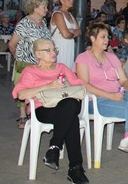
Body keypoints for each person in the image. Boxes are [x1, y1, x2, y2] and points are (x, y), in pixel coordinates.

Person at [75, 22, 128, 171]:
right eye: (103, 37)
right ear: (92, 39)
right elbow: (84, 85)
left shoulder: (111, 57)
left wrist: (124, 89)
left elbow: (124, 80)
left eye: (107, 36)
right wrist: (110, 95)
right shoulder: (83, 58)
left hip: (117, 95)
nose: (107, 40)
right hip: (96, 99)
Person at [11, 38, 89, 183]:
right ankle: (75, 168)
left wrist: (66, 85)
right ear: (37, 54)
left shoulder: (62, 68)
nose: (52, 53)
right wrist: (48, 86)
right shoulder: (30, 71)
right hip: (44, 109)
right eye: (47, 50)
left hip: (66, 107)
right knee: (71, 119)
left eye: (54, 49)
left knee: (70, 104)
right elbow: (21, 94)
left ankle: (54, 147)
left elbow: (79, 85)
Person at [9, 0, 53, 128]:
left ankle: (35, 113)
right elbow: (12, 44)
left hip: (41, 64)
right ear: (35, 8)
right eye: (43, 7)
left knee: (39, 90)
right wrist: (19, 58)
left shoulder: (43, 23)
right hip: (26, 62)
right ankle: (22, 115)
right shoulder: (25, 23)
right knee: (24, 88)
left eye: (46, 6)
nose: (46, 9)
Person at [50, 0, 82, 70]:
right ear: (62, 1)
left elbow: (79, 31)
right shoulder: (58, 14)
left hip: (69, 46)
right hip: (60, 47)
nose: (71, 1)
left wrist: (72, 31)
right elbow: (66, 34)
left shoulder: (70, 15)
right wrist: (72, 32)